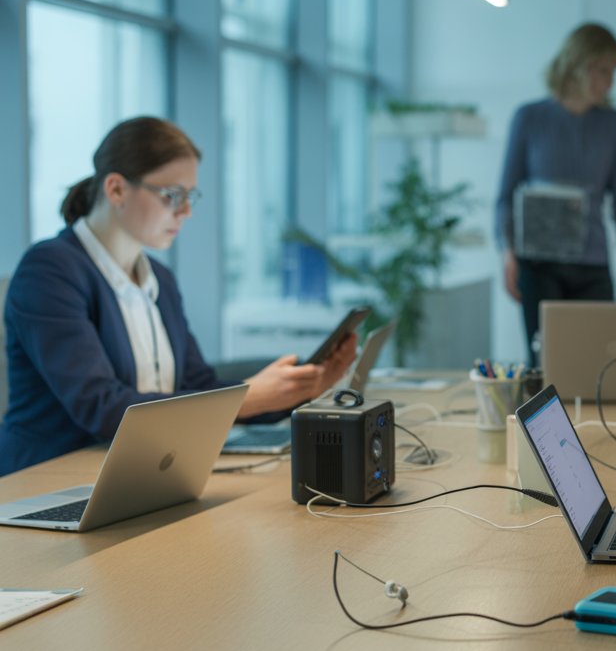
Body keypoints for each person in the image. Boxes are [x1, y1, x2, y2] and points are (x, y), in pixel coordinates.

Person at [0, 117, 356, 476]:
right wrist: (243, 399)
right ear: (117, 190)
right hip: (49, 480)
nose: (186, 211)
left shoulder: (160, 280)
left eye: (190, 196)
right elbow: (102, 407)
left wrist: (295, 391)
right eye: (172, 195)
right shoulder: (49, 271)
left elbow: (197, 387)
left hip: (141, 472)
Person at [496, 23, 616, 360]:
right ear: (576, 64)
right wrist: (507, 251)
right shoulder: (529, 118)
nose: (610, 81)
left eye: (614, 71)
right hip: (538, 264)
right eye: (603, 70)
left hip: (592, 267)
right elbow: (505, 198)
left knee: (595, 364)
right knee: (545, 366)